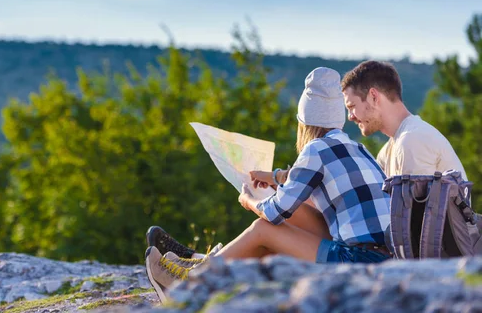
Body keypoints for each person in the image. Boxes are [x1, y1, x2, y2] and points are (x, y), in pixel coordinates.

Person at [144, 67, 391, 303]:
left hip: (358, 261)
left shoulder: (315, 149)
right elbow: (299, 179)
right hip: (385, 258)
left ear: (303, 123)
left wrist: (250, 200)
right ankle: (210, 265)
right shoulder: (357, 149)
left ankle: (187, 286)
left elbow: (274, 213)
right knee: (294, 214)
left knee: (264, 229)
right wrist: (273, 179)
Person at [341, 60, 468, 179]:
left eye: (352, 106)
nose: (350, 116)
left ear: (373, 97)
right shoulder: (387, 152)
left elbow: (417, 203)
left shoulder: (413, 139)